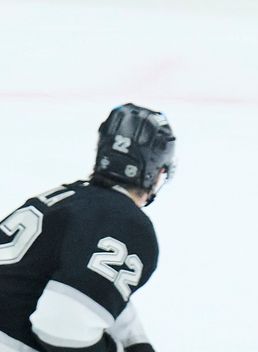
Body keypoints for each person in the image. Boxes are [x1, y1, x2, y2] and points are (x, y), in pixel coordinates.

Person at [0, 104, 175, 352]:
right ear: (156, 172)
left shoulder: (66, 200)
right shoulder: (127, 223)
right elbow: (61, 326)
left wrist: (135, 341)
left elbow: (92, 288)